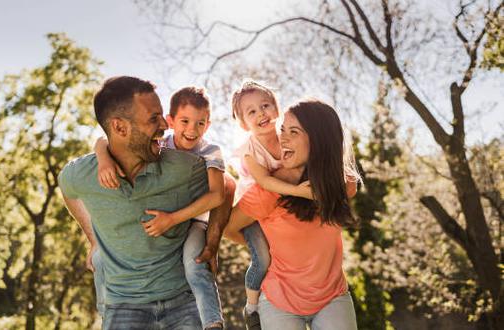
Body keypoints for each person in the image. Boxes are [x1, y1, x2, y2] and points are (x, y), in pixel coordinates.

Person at [59, 76, 226, 330]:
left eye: (162, 116)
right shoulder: (81, 174)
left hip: (182, 303)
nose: (164, 126)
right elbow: (67, 189)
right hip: (123, 306)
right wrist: (93, 238)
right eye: (153, 118)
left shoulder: (183, 167)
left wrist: (212, 242)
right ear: (120, 127)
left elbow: (227, 189)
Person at [225, 99, 360, 330]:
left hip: (333, 296)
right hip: (279, 300)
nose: (282, 138)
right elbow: (229, 229)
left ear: (319, 140)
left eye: (293, 132)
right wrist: (264, 253)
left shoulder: (344, 184)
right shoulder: (267, 191)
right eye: (282, 130)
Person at [230, 80, 313, 329]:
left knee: (288, 253)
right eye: (251, 112)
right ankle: (252, 307)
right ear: (244, 123)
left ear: (277, 109)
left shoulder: (289, 137)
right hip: (253, 212)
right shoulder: (249, 150)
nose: (261, 114)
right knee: (263, 258)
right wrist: (297, 190)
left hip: (277, 208)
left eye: (265, 106)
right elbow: (265, 182)